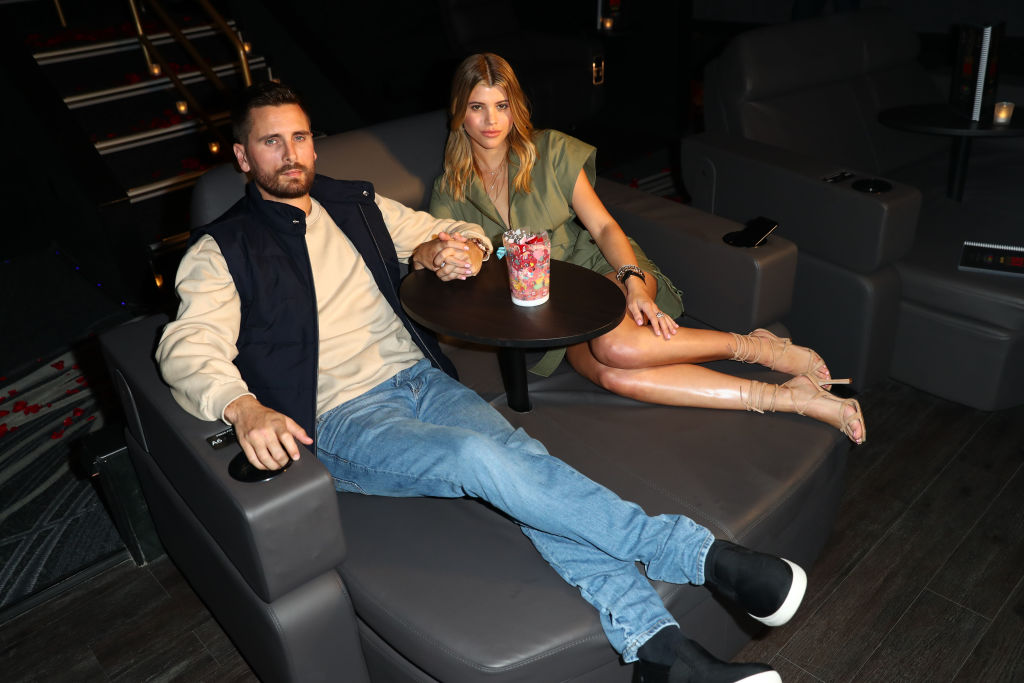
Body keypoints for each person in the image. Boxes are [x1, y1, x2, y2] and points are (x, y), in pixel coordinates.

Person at [157, 80, 806, 683]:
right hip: (343, 417)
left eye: (299, 137)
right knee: (481, 456)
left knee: (524, 467)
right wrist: (243, 406)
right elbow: (187, 347)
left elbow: (456, 231)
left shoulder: (351, 201)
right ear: (243, 156)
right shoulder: (223, 249)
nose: (290, 153)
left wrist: (448, 250)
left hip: (420, 380)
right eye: (271, 141)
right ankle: (700, 555)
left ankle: (661, 652)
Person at [430, 53, 866, 444]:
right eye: (477, 106)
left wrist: (634, 282)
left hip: (604, 269)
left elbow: (603, 226)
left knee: (617, 349)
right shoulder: (451, 188)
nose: (491, 120)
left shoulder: (550, 150)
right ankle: (792, 399)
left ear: (516, 108)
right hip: (554, 317)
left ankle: (759, 349)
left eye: (502, 105)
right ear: (459, 112)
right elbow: (444, 254)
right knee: (612, 375)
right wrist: (446, 259)